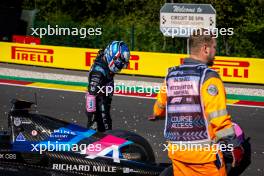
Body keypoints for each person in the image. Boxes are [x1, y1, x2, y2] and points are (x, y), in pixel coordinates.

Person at [151, 29, 244, 176]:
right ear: (205, 49)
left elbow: (159, 108)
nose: (215, 51)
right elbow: (219, 119)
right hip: (204, 158)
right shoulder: (209, 77)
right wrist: (234, 146)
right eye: (214, 47)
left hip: (177, 152)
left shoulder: (171, 75)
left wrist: (158, 114)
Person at [86, 41, 130, 132]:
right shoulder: (98, 72)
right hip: (99, 109)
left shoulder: (105, 63)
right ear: (112, 56)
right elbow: (90, 96)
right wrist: (92, 120)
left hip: (104, 102)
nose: (121, 66)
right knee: (105, 129)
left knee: (107, 124)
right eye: (120, 63)